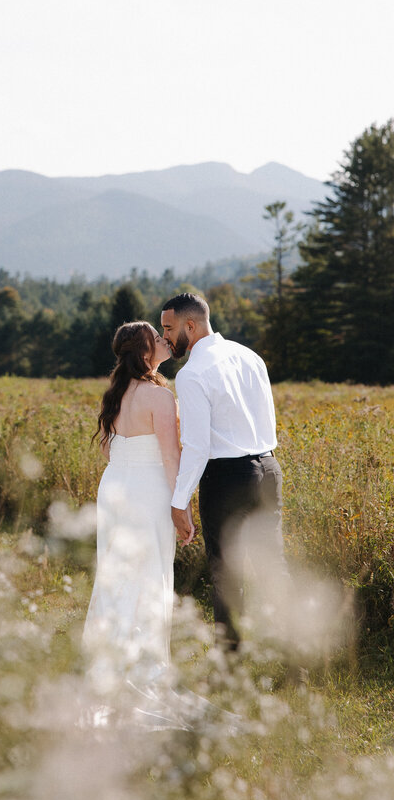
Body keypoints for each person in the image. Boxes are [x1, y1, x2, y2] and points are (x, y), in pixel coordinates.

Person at [160, 292, 285, 651]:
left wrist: (178, 502)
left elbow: (197, 446)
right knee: (274, 568)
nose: (164, 336)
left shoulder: (192, 374)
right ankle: (299, 661)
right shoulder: (250, 356)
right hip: (269, 469)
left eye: (168, 328)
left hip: (227, 479)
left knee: (227, 575)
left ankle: (229, 664)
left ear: (190, 325)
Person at [82, 321, 194, 696]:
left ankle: (112, 657)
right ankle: (142, 666)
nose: (164, 339)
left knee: (117, 570)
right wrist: (182, 506)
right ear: (146, 351)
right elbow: (171, 456)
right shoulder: (159, 397)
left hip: (114, 486)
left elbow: (109, 450)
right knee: (148, 571)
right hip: (148, 490)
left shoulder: (116, 392)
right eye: (157, 337)